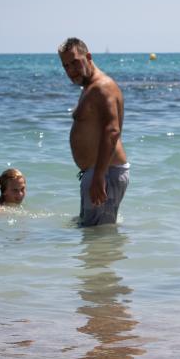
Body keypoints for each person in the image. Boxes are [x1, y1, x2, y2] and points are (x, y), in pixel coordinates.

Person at [58, 37, 129, 226]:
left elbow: (112, 131)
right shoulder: (90, 88)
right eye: (66, 66)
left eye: (75, 62)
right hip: (99, 172)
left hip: (105, 173)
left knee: (99, 239)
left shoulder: (102, 87)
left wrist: (99, 176)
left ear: (88, 56)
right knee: (92, 236)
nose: (71, 70)